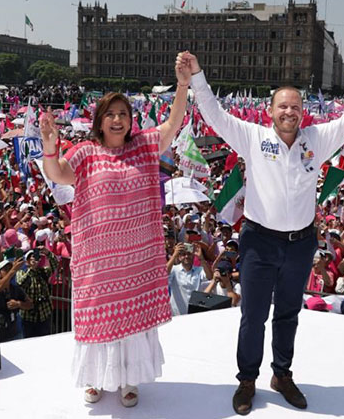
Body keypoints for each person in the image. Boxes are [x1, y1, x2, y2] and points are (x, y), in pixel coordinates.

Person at [178, 44, 344, 415]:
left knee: (287, 314)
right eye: (283, 106)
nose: (289, 112)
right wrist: (198, 76)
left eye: (296, 107)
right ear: (271, 112)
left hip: (299, 244)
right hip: (259, 241)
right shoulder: (252, 137)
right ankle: (247, 380)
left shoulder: (317, 140)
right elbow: (214, 115)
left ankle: (281, 374)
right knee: (253, 315)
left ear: (303, 112)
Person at [39, 60, 189, 408]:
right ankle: (95, 377)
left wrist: (182, 87)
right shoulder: (87, 153)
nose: (118, 119)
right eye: (111, 114)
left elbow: (173, 123)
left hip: (136, 260)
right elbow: (58, 174)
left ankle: (128, 379)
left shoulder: (144, 146)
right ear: (100, 120)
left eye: (124, 113)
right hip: (98, 261)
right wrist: (50, 145)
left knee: (132, 321)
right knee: (97, 317)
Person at [15, 246, 57, 337]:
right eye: (31, 257)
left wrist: (47, 253)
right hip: (29, 316)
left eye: (36, 256)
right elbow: (21, 282)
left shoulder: (43, 271)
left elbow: (55, 265)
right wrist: (31, 269)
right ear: (27, 261)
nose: (34, 259)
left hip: (44, 314)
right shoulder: (21, 272)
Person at [168, 241, 214, 315]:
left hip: (194, 314)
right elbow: (164, 274)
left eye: (189, 254)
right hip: (177, 315)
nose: (186, 256)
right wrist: (174, 255)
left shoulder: (199, 270)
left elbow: (210, 276)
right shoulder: (174, 269)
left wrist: (201, 258)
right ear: (179, 257)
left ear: (193, 256)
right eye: (183, 254)